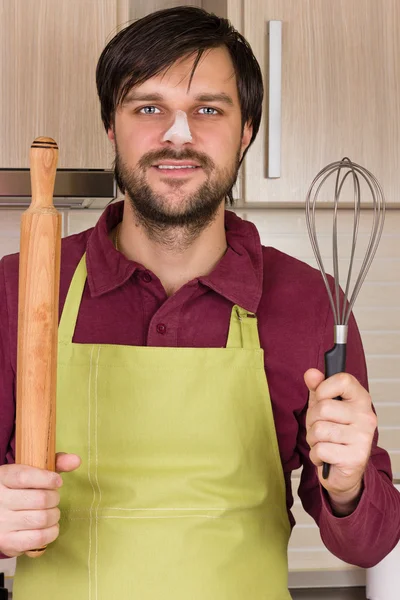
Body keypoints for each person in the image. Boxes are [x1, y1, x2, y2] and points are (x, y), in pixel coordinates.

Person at [0, 6, 399, 599]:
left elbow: (367, 545)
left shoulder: (310, 300)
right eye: (148, 107)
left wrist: (347, 482)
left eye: (208, 109)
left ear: (247, 132)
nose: (177, 134)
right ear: (112, 126)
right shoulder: (19, 288)